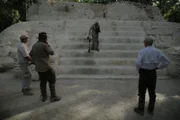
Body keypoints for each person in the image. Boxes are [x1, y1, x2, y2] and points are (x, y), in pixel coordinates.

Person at [134, 36, 170, 116]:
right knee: (152, 91)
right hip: (152, 73)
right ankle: (151, 109)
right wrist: (159, 67)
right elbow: (167, 61)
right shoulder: (157, 51)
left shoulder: (142, 51)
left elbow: (138, 63)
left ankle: (141, 109)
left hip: (143, 73)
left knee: (142, 91)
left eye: (144, 42)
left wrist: (139, 69)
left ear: (146, 43)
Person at [30, 32, 61, 102]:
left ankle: (44, 97)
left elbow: (31, 54)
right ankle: (53, 96)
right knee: (52, 80)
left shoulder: (34, 45)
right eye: (46, 38)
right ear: (45, 38)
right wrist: (48, 45)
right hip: (45, 67)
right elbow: (52, 52)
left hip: (38, 68)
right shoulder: (44, 45)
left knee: (43, 82)